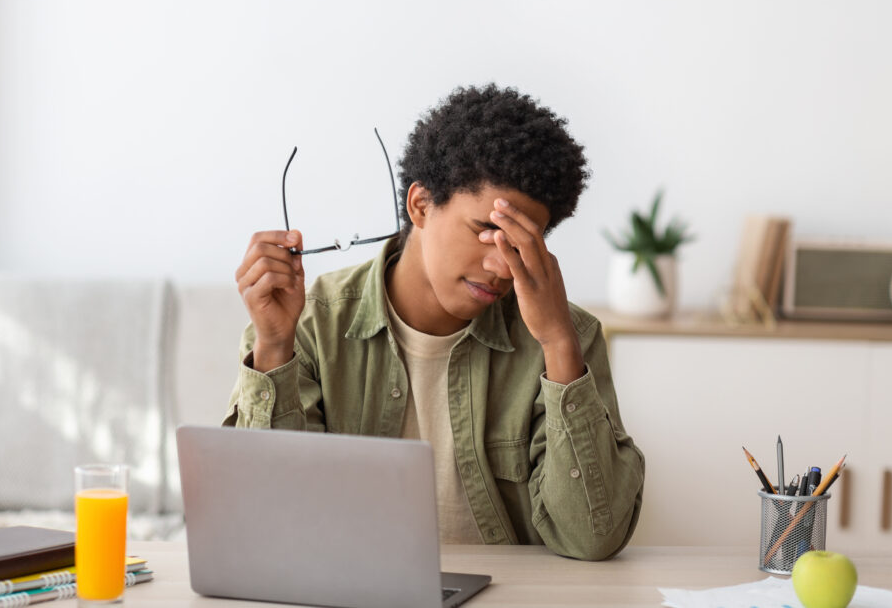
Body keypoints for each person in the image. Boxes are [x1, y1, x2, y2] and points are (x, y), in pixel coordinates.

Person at [225, 84, 644, 560]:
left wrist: (558, 345)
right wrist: (275, 344)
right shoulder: (308, 324)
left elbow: (593, 539)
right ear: (420, 204)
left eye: (521, 243)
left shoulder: (566, 337)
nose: (503, 266)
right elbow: (264, 525)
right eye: (485, 231)